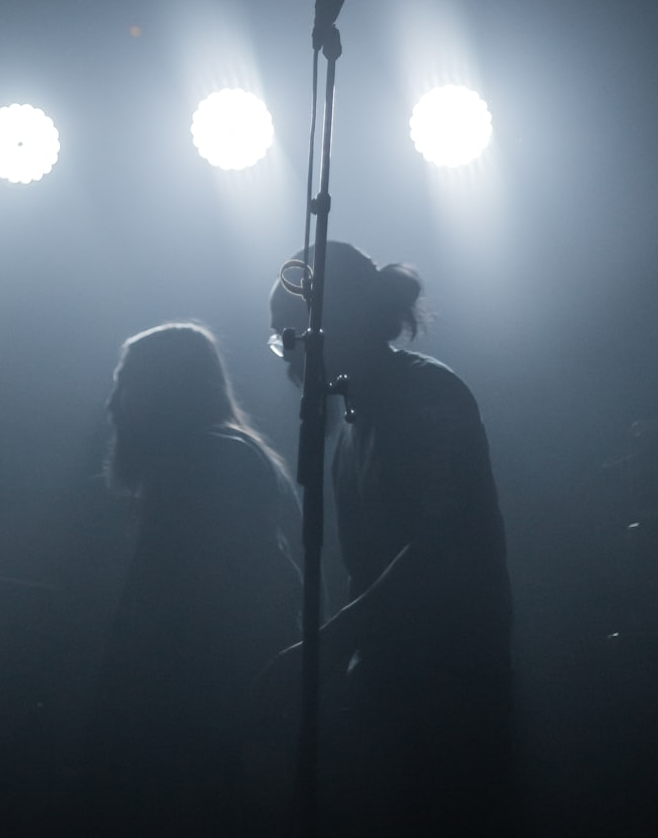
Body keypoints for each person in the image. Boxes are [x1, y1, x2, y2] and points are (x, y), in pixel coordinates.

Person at [269, 242, 513, 835]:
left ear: (328, 326)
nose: (288, 356)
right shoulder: (355, 424)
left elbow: (439, 544)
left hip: (451, 688)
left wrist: (334, 643)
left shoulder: (426, 394)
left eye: (289, 336)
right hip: (398, 687)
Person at [81, 322, 302, 835]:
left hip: (204, 718)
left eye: (125, 383)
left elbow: (177, 608)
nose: (113, 403)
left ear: (165, 387)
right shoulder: (226, 453)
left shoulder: (203, 459)